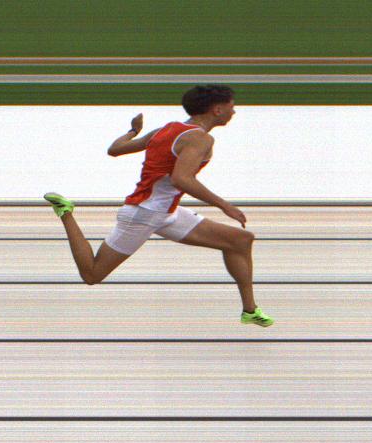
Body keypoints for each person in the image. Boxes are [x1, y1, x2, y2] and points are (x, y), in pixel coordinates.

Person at [43, 84, 272, 326]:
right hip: (144, 213)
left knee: (240, 240)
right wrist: (225, 205)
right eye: (231, 106)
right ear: (217, 109)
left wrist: (133, 131)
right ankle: (66, 212)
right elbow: (182, 179)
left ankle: (250, 311)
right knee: (92, 274)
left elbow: (115, 149)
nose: (234, 112)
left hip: (166, 212)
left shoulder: (166, 129)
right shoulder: (200, 139)